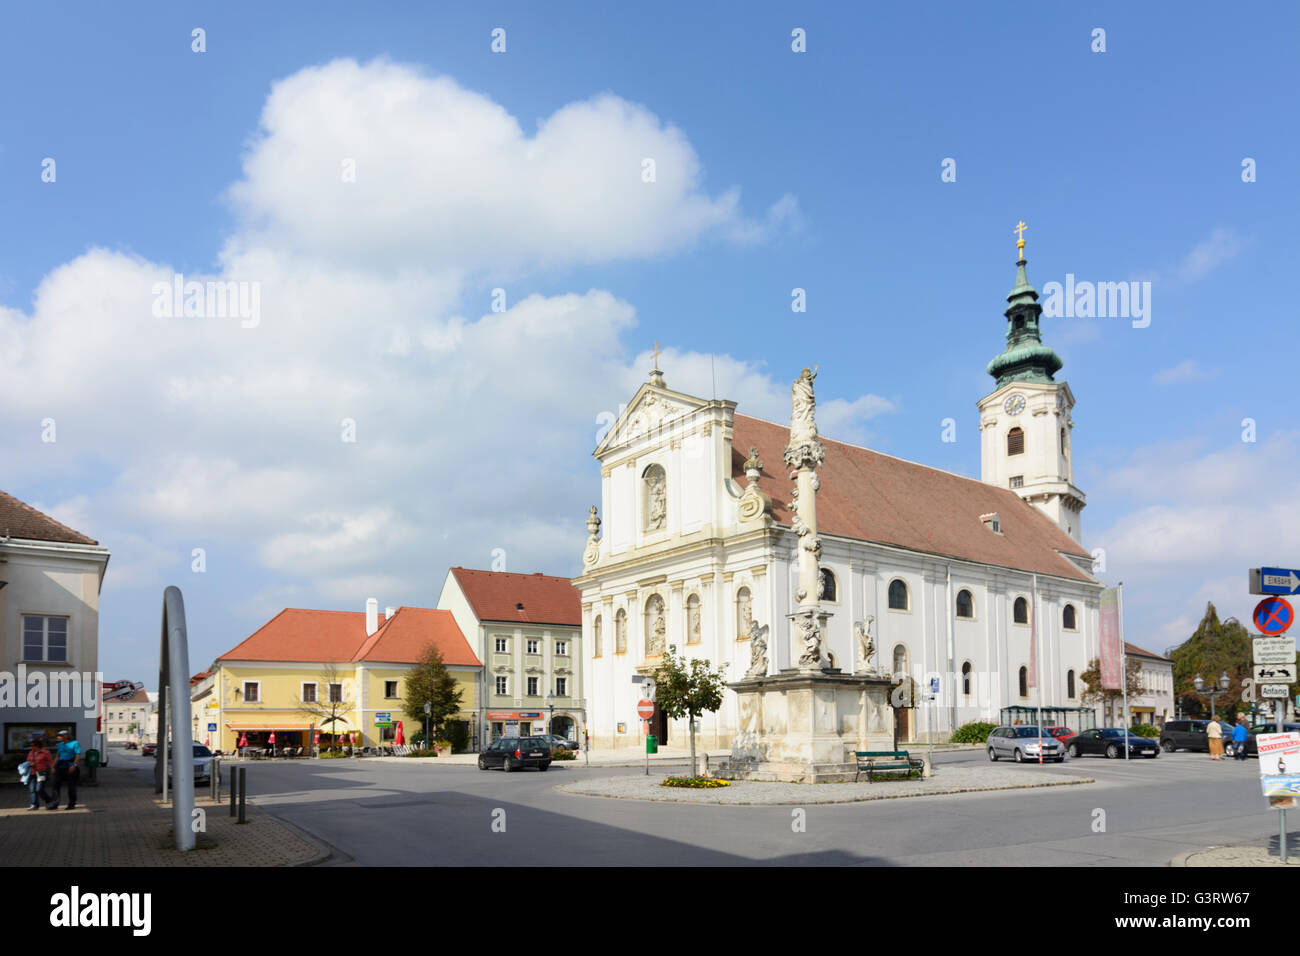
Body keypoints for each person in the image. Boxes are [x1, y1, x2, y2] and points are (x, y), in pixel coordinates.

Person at [50, 729, 82, 809]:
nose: (58, 737)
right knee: (55, 785)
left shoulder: (75, 743)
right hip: (60, 766)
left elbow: (78, 755)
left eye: (59, 736)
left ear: (66, 736)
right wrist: (53, 766)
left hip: (70, 766)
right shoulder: (60, 744)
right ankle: (55, 803)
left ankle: (71, 804)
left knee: (71, 786)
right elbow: (57, 756)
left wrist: (74, 765)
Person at [25, 735, 56, 810]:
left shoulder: (45, 752)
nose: (31, 747)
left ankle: (49, 801)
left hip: (41, 773)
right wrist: (30, 764)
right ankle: (34, 804)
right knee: (32, 789)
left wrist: (52, 768)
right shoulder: (31, 753)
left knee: (39, 789)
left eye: (33, 746)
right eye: (31, 746)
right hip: (32, 773)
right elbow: (27, 761)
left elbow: (50, 761)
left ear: (37, 745)